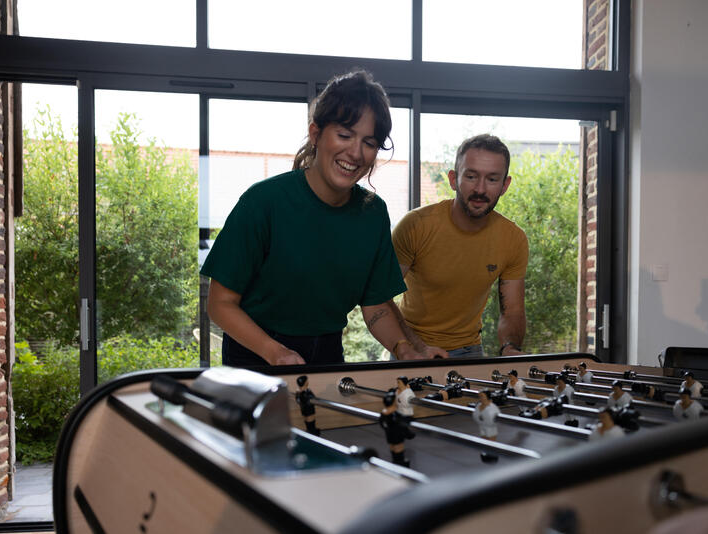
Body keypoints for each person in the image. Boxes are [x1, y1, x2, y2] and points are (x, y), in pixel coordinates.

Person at [201, 70, 428, 366]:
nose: (356, 153)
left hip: (329, 353)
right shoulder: (263, 202)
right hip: (256, 353)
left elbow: (374, 305)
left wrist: (404, 348)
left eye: (369, 143)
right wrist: (275, 352)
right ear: (316, 133)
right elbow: (220, 305)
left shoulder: (373, 213)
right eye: (345, 135)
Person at [390, 134, 529, 358]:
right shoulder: (416, 226)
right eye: (472, 176)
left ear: (505, 185)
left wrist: (509, 348)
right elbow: (381, 298)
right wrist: (414, 346)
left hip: (470, 350)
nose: (481, 189)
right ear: (454, 179)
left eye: (492, 179)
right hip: (412, 347)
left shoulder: (514, 239)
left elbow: (512, 310)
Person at [472, 390, 500, 463]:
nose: (480, 398)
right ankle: (486, 453)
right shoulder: (479, 406)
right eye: (480, 396)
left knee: (491, 440)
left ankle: (493, 455)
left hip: (490, 427)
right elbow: (476, 416)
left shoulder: (492, 406)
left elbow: (495, 417)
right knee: (484, 439)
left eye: (482, 396)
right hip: (483, 425)